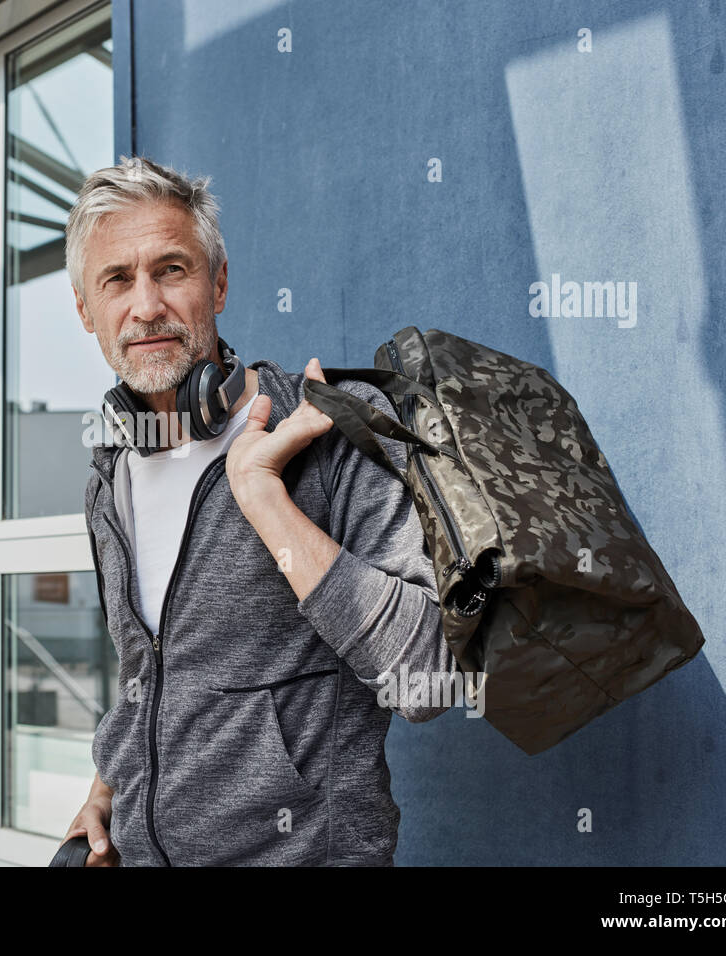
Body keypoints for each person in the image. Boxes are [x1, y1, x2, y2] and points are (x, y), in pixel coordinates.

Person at [61, 155, 458, 866]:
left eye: (172, 270)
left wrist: (265, 502)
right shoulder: (110, 474)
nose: (146, 305)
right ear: (86, 310)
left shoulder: (328, 429)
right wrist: (108, 785)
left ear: (217, 284)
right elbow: (149, 672)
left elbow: (429, 676)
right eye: (117, 280)